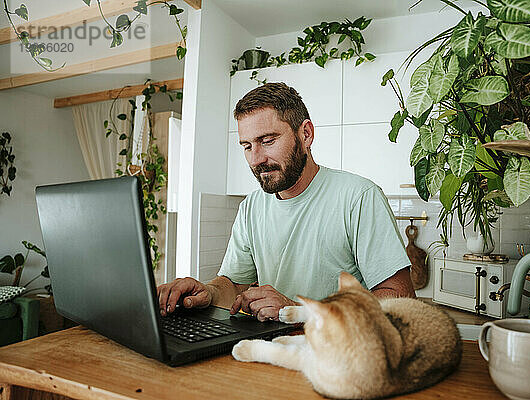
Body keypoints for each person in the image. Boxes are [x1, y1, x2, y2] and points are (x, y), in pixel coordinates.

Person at [157, 82, 415, 322]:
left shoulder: (359, 197)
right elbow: (234, 285)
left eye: (267, 141)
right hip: (275, 352)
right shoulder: (251, 207)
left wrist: (298, 313)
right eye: (247, 146)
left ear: (306, 134)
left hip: (340, 356)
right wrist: (208, 293)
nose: (256, 158)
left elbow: (400, 301)